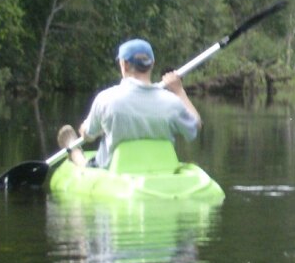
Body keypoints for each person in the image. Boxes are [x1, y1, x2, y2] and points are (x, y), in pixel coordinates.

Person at [58, 38, 202, 168]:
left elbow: (88, 135)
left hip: (114, 169)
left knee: (85, 163)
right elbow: (195, 126)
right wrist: (179, 91)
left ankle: (75, 152)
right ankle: (75, 151)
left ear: (124, 65)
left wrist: (85, 129)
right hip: (161, 169)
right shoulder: (172, 102)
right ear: (152, 64)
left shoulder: (106, 99)